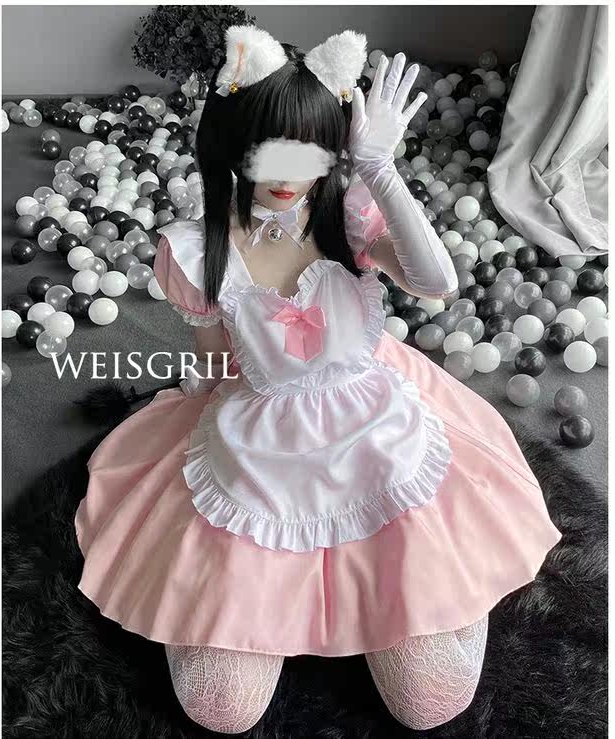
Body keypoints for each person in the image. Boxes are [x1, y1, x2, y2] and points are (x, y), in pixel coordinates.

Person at [74, 25, 562, 734]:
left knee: (432, 702)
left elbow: (438, 282)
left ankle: (436, 589)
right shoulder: (197, 250)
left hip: (380, 427)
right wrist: (196, 408)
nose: (285, 171)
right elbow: (213, 355)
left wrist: (380, 167)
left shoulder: (350, 217)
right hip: (261, 437)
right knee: (220, 710)